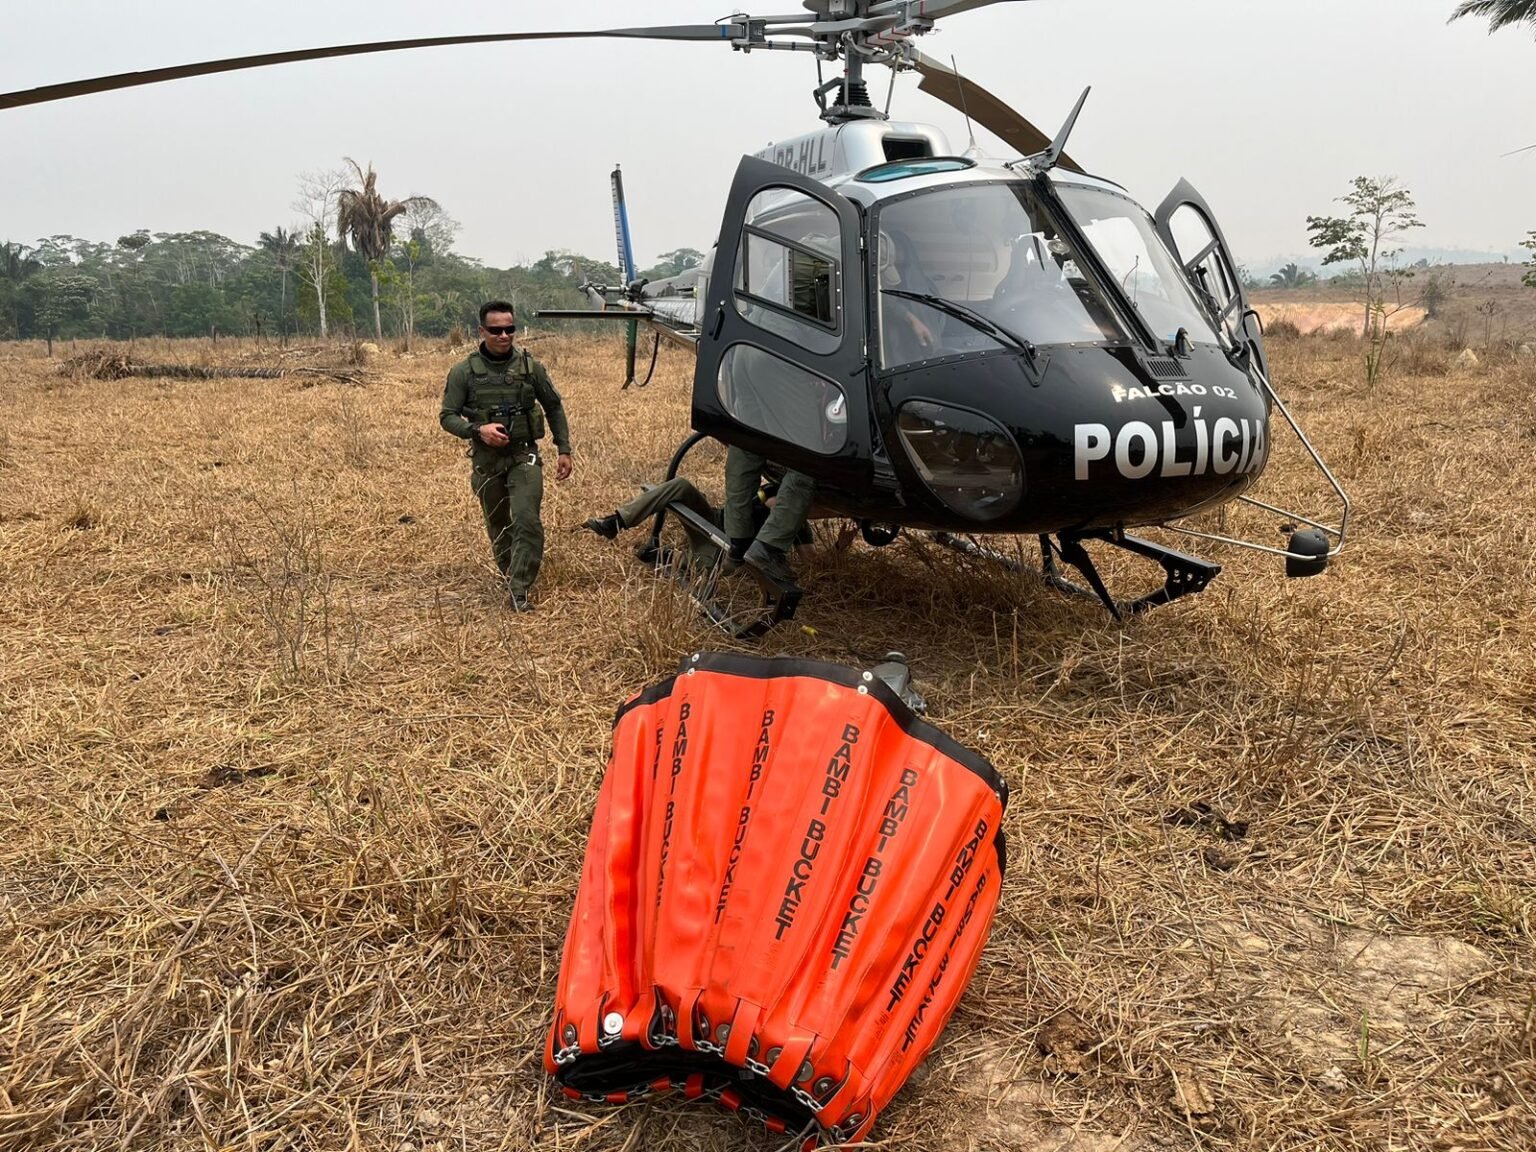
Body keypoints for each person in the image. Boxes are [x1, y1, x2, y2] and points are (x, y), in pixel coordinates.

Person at [439, 301, 573, 611]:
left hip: (523, 455)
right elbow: (447, 416)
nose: (504, 335)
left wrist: (563, 448)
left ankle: (520, 588)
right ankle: (510, 571)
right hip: (486, 461)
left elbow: (553, 406)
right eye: (496, 330)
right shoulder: (464, 372)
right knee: (498, 523)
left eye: (509, 329)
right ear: (482, 331)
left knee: (526, 519)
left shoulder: (529, 367)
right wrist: (478, 430)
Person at [585, 474, 813, 576]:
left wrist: (840, 548)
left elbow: (810, 562)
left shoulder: (794, 520)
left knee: (710, 566)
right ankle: (616, 521)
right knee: (681, 486)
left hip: (725, 550)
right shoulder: (772, 486)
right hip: (714, 520)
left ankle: (668, 557)